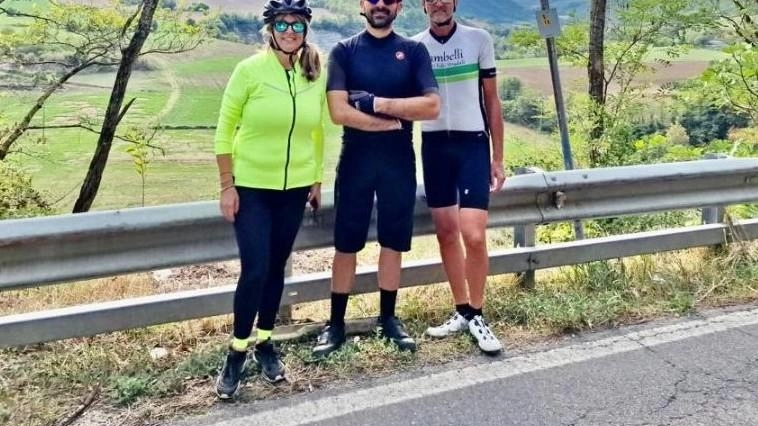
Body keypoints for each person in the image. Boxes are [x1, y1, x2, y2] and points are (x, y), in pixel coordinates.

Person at [311, 0, 440, 359]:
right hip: (356, 160)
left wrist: (375, 103)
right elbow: (338, 112)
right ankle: (335, 324)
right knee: (346, 243)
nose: (380, 4)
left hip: (398, 161)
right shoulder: (344, 51)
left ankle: (388, 318)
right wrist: (393, 121)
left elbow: (431, 106)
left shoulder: (413, 51)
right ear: (362, 5)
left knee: (393, 241)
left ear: (398, 7)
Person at [213, 0, 326, 399]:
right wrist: (227, 185)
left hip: (294, 188)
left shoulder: (312, 72)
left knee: (277, 267)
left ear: (305, 29)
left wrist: (315, 179)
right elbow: (224, 130)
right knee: (256, 269)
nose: (291, 31)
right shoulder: (249, 71)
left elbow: (316, 131)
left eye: (298, 24)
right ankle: (236, 351)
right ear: (271, 29)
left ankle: (265, 342)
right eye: (283, 24)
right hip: (253, 188)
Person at [411, 0, 505, 354]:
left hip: (472, 146)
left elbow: (492, 101)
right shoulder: (414, 46)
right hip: (434, 147)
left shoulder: (478, 39)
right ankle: (462, 310)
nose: (438, 3)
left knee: (474, 235)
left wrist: (498, 157)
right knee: (447, 233)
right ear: (423, 5)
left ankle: (478, 314)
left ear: (454, 3)